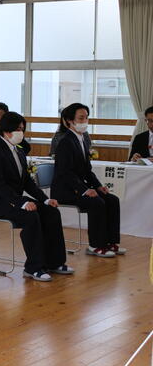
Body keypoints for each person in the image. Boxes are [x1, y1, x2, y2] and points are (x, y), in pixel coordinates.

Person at [0, 112, 72, 282]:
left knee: (51, 212)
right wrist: (21, 203)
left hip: (14, 200)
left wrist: (45, 199)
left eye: (22, 129)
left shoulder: (19, 150)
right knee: (31, 216)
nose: (21, 133)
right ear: (6, 131)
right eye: (17, 129)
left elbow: (27, 182)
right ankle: (33, 267)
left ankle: (54, 262)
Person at [51, 103, 123, 257]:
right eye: (81, 118)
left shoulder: (83, 139)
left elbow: (87, 170)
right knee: (97, 203)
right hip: (65, 190)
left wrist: (98, 186)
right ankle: (95, 245)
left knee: (112, 200)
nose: (84, 121)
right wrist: (85, 190)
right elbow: (66, 173)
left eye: (86, 117)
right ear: (69, 121)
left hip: (78, 187)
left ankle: (111, 242)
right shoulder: (65, 142)